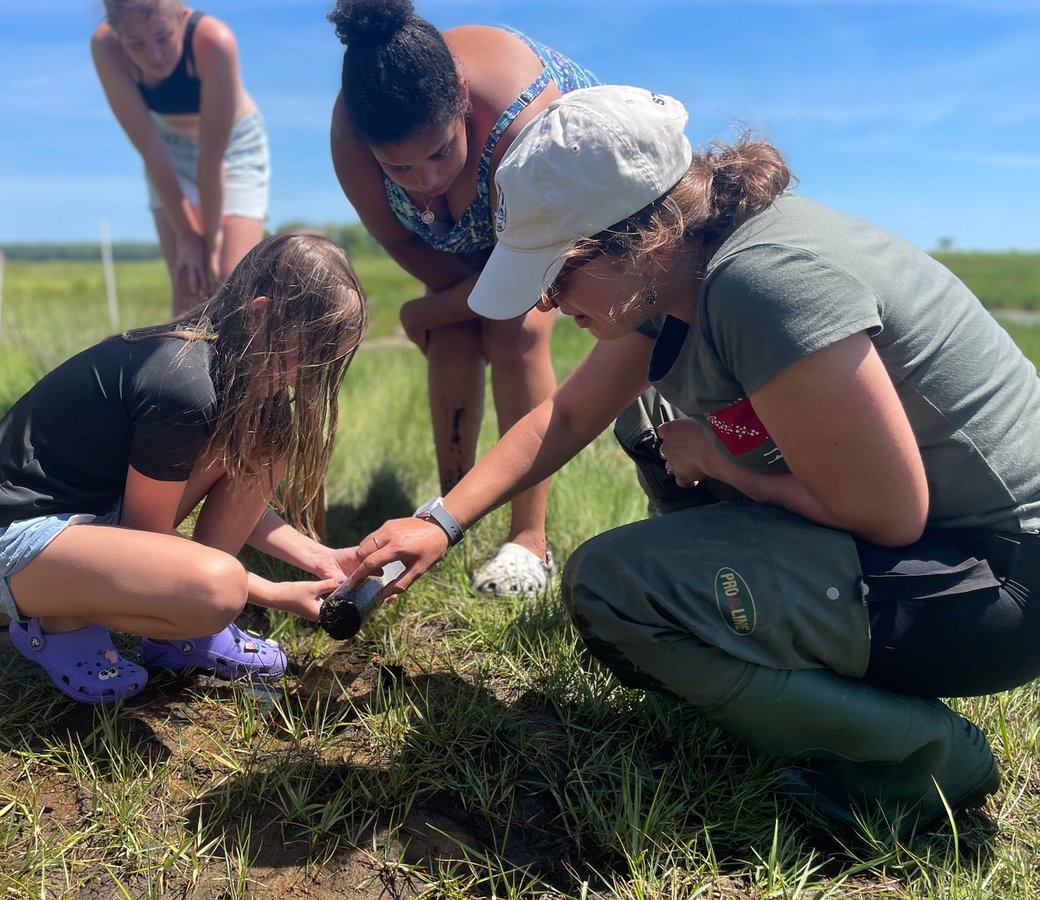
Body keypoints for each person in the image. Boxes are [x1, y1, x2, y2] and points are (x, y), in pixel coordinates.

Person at [349, 85, 1040, 838]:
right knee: (646, 417)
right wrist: (441, 523)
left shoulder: (762, 282)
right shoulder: (686, 270)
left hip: (999, 583)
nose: (546, 306)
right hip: (947, 554)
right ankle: (762, 644)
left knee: (613, 586)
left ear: (632, 240)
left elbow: (889, 513)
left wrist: (724, 464)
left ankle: (922, 765)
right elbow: (569, 413)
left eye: (555, 278)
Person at [0, 233, 368, 704]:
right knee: (221, 589)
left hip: (94, 518)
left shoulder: (226, 370)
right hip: (11, 540)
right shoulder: (183, 386)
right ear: (260, 315)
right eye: (312, 356)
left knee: (266, 441)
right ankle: (56, 626)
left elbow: (217, 505)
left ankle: (182, 633)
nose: (314, 376)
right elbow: (146, 532)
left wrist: (319, 558)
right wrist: (274, 592)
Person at [328, 0, 599, 597]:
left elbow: (532, 274)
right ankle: (449, 515)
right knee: (452, 339)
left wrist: (421, 311)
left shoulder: (522, 120)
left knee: (516, 333)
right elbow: (399, 234)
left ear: (462, 101)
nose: (425, 181)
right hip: (472, 239)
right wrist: (442, 309)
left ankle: (529, 542)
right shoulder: (352, 136)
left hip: (550, 224)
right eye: (399, 168)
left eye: (440, 153)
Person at [92, 0, 270, 315]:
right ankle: (178, 364)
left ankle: (242, 364)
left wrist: (210, 238)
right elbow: (151, 150)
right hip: (167, 146)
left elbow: (211, 156)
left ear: (183, 18)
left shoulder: (215, 42)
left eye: (163, 38)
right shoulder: (106, 48)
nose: (155, 56)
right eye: (137, 44)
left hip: (234, 144)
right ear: (118, 35)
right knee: (190, 283)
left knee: (232, 284)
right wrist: (187, 236)